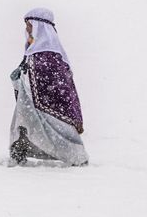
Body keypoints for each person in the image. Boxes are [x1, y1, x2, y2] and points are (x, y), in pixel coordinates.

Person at [9, 8, 88, 166]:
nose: (27, 29)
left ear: (40, 26)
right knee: (23, 127)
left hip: (48, 103)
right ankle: (19, 154)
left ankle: (74, 156)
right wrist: (19, 75)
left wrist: (27, 73)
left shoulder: (51, 54)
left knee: (56, 130)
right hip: (29, 103)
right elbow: (28, 72)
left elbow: (55, 80)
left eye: (30, 25)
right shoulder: (32, 51)